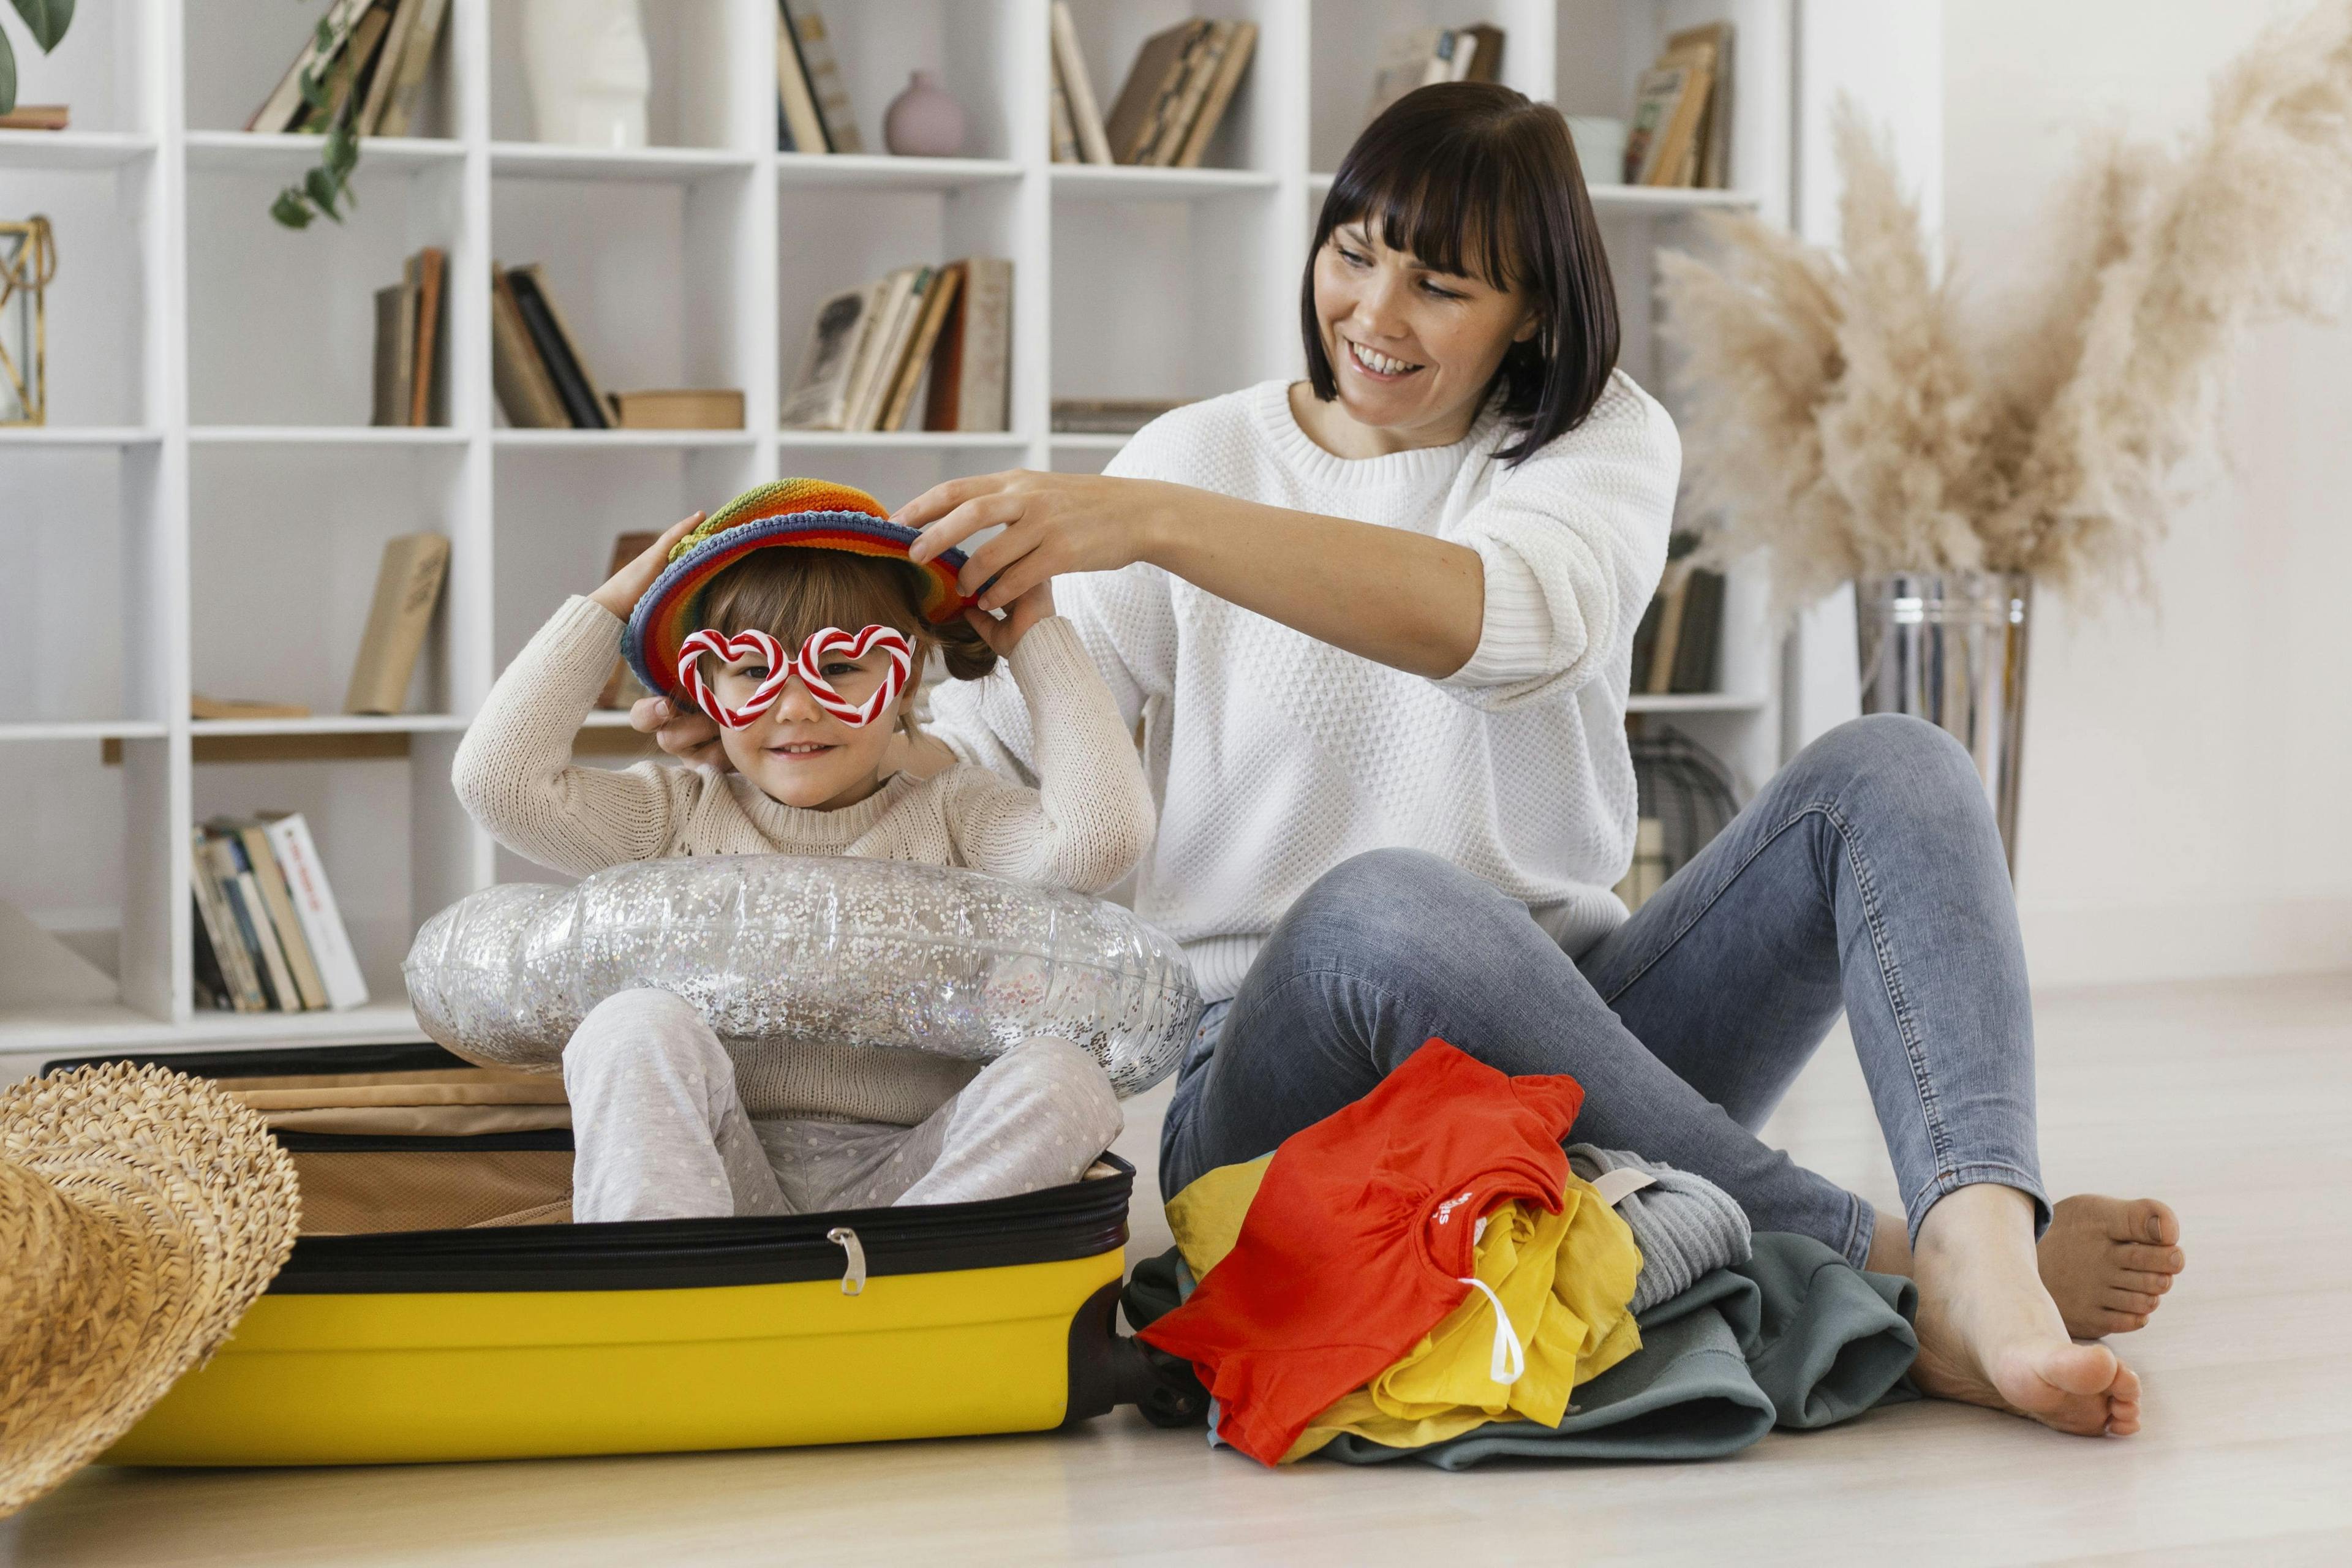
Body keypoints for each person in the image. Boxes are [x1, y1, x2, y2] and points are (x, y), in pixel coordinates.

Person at [633, 86, 2184, 1435]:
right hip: (1266, 1077)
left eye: (1441, 284)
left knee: (1896, 761)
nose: (1373, 312)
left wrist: (1152, 523)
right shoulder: (1196, 452)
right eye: (1352, 251)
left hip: (1585, 1043)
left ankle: (1982, 1236)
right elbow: (979, 757)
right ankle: (1881, 1256)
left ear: (1531, 313)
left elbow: (1508, 625)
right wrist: (791, 732)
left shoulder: (1590, 445)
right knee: (1381, 904)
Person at [453, 481, 1149, 1223]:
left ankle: (893, 1308)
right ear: (704, 688)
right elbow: (500, 783)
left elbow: (1098, 838)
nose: (795, 707)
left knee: (1064, 1075)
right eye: (753, 672)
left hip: (916, 1187)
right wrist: (611, 607)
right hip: (712, 1178)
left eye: (843, 666)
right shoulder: (675, 814)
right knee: (631, 1022)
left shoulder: (955, 815)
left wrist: (1035, 637)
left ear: (903, 675)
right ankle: (663, 1306)